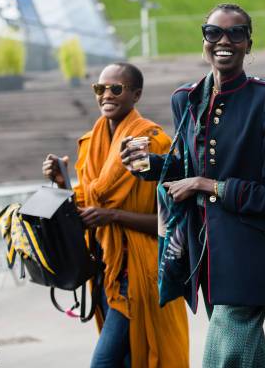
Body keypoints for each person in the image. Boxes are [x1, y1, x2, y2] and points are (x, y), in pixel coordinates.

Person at [121, 3, 265, 368]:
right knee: (244, 355)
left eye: (236, 33)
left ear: (249, 43)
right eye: (213, 32)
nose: (224, 40)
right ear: (204, 40)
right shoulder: (185, 98)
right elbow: (183, 169)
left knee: (226, 353)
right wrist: (148, 166)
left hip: (247, 251)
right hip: (201, 252)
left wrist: (206, 184)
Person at [42, 62, 189, 368]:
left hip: (141, 273)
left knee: (106, 361)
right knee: (125, 360)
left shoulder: (152, 143)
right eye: (100, 88)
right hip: (104, 267)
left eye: (116, 89)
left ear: (136, 95)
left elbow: (171, 223)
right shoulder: (90, 143)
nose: (106, 94)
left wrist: (113, 216)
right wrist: (61, 182)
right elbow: (84, 207)